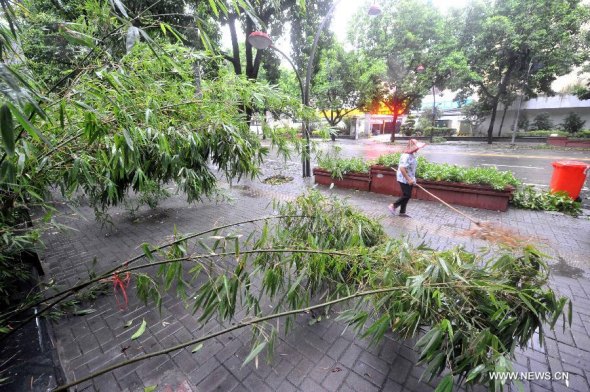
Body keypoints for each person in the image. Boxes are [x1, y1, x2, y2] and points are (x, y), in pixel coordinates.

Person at [388, 138, 426, 217]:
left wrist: (412, 179)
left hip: (410, 178)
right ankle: (393, 205)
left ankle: (402, 212)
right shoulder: (406, 156)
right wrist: (408, 179)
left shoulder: (412, 155)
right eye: (416, 147)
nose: (418, 149)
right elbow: (402, 168)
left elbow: (411, 169)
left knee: (406, 195)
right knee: (407, 195)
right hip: (404, 178)